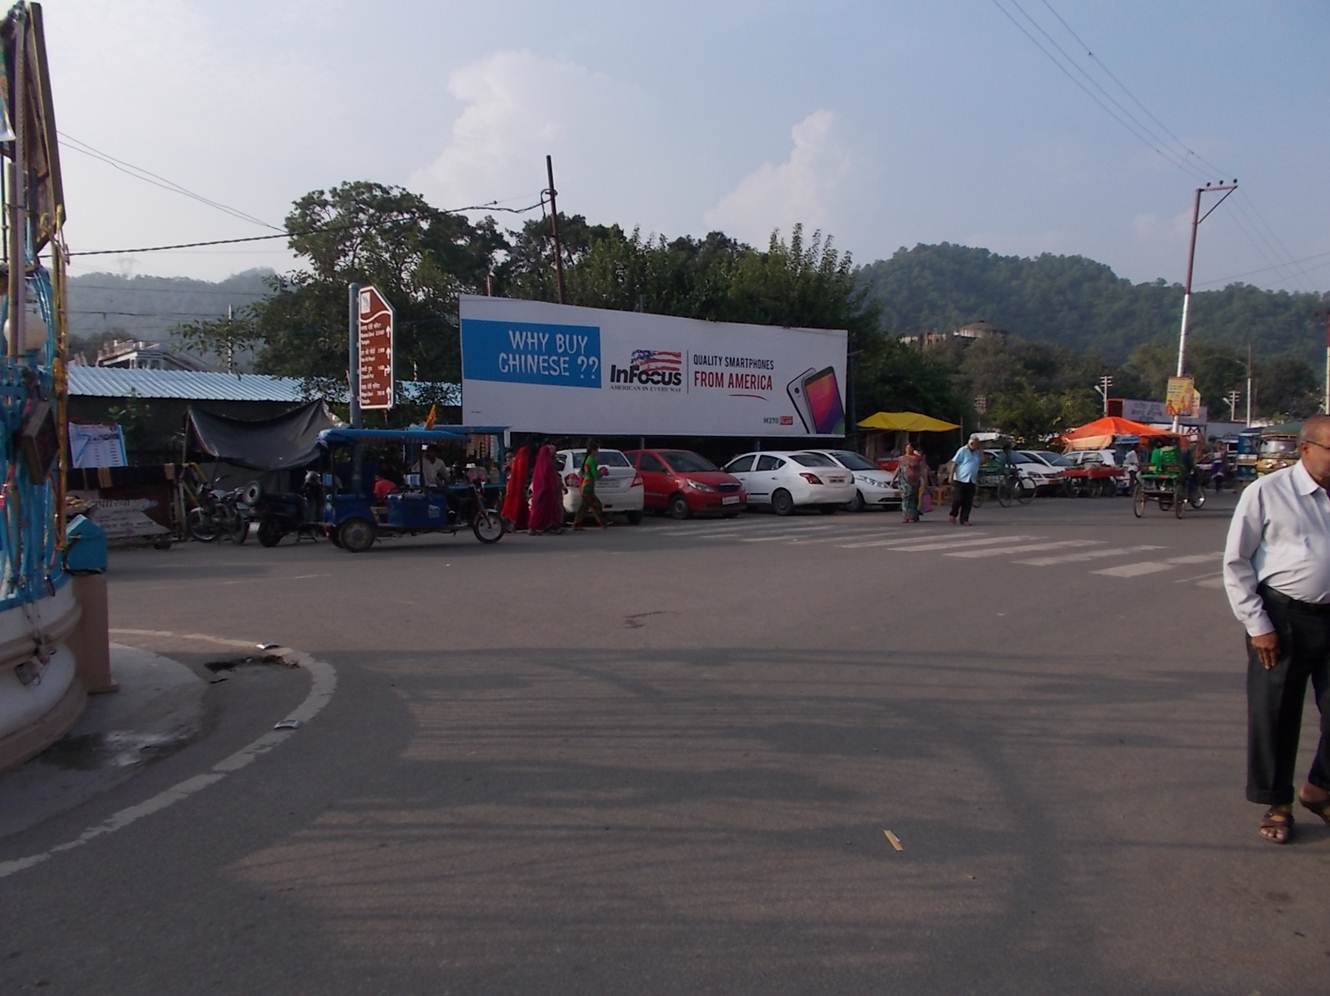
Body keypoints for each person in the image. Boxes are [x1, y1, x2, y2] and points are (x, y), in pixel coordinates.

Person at [1222, 414, 1330, 845]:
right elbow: (1237, 562)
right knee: (1276, 714)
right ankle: (1278, 802)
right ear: (1306, 449)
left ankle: (1319, 787)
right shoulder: (1268, 492)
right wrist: (1258, 625)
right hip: (1282, 619)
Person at [527, 440, 565, 534]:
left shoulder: (542, 463)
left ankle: (547, 526)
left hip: (545, 491)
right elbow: (549, 478)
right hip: (546, 491)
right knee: (542, 509)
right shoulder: (547, 463)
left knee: (545, 509)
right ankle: (535, 527)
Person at [948, 435, 983, 525]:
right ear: (971, 443)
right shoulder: (962, 450)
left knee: (968, 501)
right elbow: (954, 463)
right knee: (958, 499)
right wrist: (951, 476)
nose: (976, 446)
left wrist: (981, 450)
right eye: (975, 444)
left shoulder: (977, 452)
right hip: (960, 479)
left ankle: (964, 519)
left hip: (971, 480)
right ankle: (953, 514)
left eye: (977, 445)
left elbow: (982, 461)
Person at [573, 438, 607, 530]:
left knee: (585, 505)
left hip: (586, 485)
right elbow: (595, 475)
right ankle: (601, 522)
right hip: (588, 486)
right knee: (595, 504)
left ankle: (578, 523)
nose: (598, 452)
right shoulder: (592, 460)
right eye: (597, 450)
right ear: (593, 450)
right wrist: (602, 472)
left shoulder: (587, 459)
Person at [501, 442, 532, 532]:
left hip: (515, 488)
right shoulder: (516, 463)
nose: (508, 459)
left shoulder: (517, 462)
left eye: (510, 457)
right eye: (507, 458)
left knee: (517, 505)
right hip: (512, 487)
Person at [898, 441, 926, 523]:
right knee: (906, 498)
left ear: (913, 448)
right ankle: (906, 516)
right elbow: (899, 469)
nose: (908, 449)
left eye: (910, 447)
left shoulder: (917, 458)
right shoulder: (902, 458)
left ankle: (914, 516)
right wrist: (894, 479)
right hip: (904, 481)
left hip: (915, 481)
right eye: (907, 447)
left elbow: (923, 469)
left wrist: (924, 479)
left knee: (914, 498)